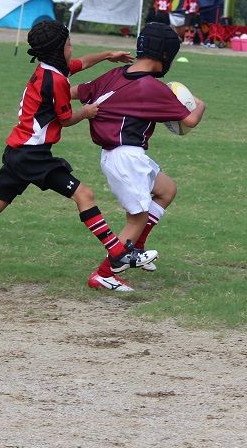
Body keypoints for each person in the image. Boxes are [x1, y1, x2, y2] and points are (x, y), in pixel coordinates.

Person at [0, 21, 155, 290]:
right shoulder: (56, 81)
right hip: (32, 155)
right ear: (58, 49)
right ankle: (118, 252)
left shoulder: (49, 70)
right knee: (84, 195)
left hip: (19, 151)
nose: (72, 48)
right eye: (69, 44)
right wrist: (87, 112)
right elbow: (66, 119)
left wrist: (107, 55)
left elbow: (79, 64)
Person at [72, 22, 207, 292]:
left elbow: (75, 92)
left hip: (121, 155)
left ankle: (138, 245)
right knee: (137, 218)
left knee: (167, 190)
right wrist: (200, 104)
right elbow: (189, 121)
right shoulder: (152, 88)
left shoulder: (115, 74)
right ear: (165, 54)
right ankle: (104, 274)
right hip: (126, 158)